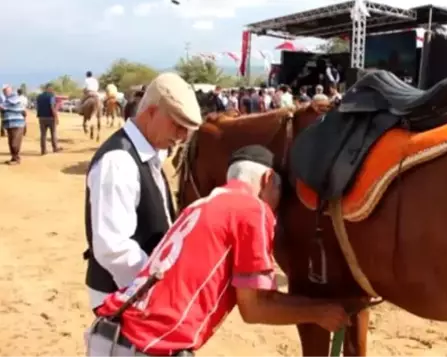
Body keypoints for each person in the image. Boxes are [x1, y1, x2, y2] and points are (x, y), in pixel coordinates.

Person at [85, 145, 350, 357]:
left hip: (111, 335)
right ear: (268, 179)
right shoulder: (252, 209)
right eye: (280, 192)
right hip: (148, 347)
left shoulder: (201, 204)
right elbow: (255, 308)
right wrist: (320, 311)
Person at [83, 72, 202, 314]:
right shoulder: (119, 161)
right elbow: (113, 247)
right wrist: (156, 288)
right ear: (150, 112)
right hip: (124, 297)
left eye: (186, 130)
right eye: (177, 125)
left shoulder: (148, 154)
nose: (181, 137)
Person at [0, 85, 27, 165]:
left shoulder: (14, 97)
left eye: (6, 90)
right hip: (10, 124)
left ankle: (17, 159)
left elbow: (3, 106)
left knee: (15, 143)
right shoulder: (6, 99)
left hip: (17, 124)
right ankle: (13, 158)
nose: (5, 92)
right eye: (4, 91)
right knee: (11, 142)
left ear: (11, 90)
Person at [36, 83, 62, 155]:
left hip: (41, 118)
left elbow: (37, 107)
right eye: (52, 88)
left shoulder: (39, 97)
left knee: (43, 134)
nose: (52, 90)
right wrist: (56, 117)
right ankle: (55, 148)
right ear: (49, 88)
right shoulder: (51, 96)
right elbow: (52, 107)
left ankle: (43, 150)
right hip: (50, 117)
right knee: (53, 133)